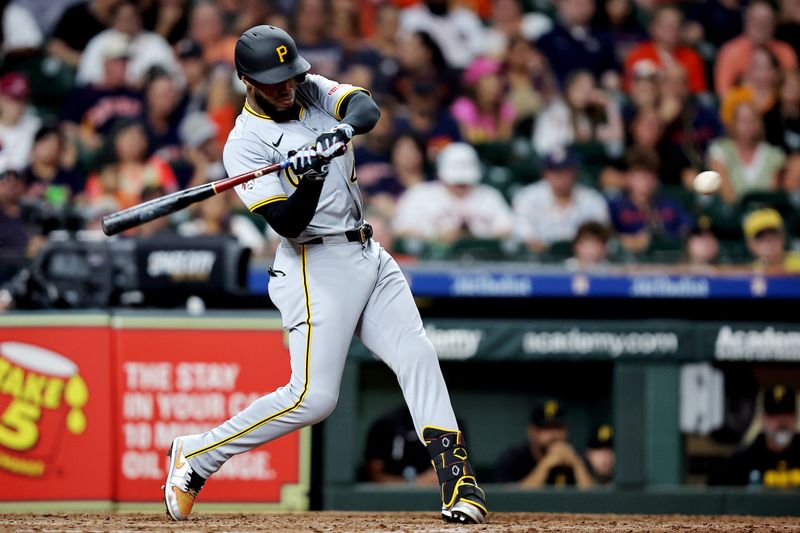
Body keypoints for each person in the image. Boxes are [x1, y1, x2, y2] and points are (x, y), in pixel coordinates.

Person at [162, 25, 488, 525]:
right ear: (246, 80)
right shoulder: (244, 144)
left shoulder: (310, 88)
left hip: (366, 249)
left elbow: (367, 109)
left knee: (417, 354)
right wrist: (308, 176)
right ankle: (198, 454)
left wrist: (337, 134)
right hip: (313, 261)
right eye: (273, 80)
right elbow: (288, 222)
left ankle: (457, 482)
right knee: (314, 398)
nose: (286, 86)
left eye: (289, 74)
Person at [392, 142, 513, 245]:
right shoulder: (419, 194)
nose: (461, 185)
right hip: (431, 264)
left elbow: (509, 230)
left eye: (465, 180)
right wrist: (437, 237)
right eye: (456, 181)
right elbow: (399, 230)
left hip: (482, 262)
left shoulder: (490, 196)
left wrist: (473, 238)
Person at [512, 149, 610, 254]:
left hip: (582, 263)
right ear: (545, 173)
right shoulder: (527, 197)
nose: (560, 176)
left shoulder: (593, 200)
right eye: (555, 171)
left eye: (566, 170)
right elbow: (523, 234)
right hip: (539, 262)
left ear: (575, 172)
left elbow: (599, 235)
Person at [710, 384, 800, 487]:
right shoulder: (743, 460)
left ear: (796, 418)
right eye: (774, 416)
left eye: (787, 415)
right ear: (762, 419)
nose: (781, 422)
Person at [494, 400, 594, 488]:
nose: (554, 435)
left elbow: (595, 499)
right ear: (532, 432)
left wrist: (577, 465)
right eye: (546, 428)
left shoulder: (576, 456)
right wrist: (546, 464)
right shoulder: (513, 458)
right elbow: (509, 499)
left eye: (558, 427)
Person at [708, 101, 785, 205]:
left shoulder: (774, 155)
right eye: (743, 121)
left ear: (759, 123)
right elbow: (727, 195)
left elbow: (771, 194)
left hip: (765, 214)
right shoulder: (719, 151)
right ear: (734, 124)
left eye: (752, 120)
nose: (748, 126)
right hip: (732, 216)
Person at [715, 0, 798, 96]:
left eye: (766, 20)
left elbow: (793, 90)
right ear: (746, 21)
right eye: (755, 19)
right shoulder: (730, 52)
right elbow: (723, 92)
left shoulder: (786, 51)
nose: (760, 24)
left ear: (774, 23)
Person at [623, 5, 707, 94]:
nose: (671, 29)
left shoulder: (692, 57)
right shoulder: (638, 55)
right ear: (653, 28)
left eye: (676, 24)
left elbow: (698, 93)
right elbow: (629, 89)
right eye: (666, 25)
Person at [361, 404, 440, 485]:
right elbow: (375, 474)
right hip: (388, 494)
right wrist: (413, 482)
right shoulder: (385, 424)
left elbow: (439, 476)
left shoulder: (440, 424)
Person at [743, 207, 800, 272]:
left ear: (783, 236)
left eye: (773, 233)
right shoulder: (749, 273)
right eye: (760, 236)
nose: (768, 240)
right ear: (750, 244)